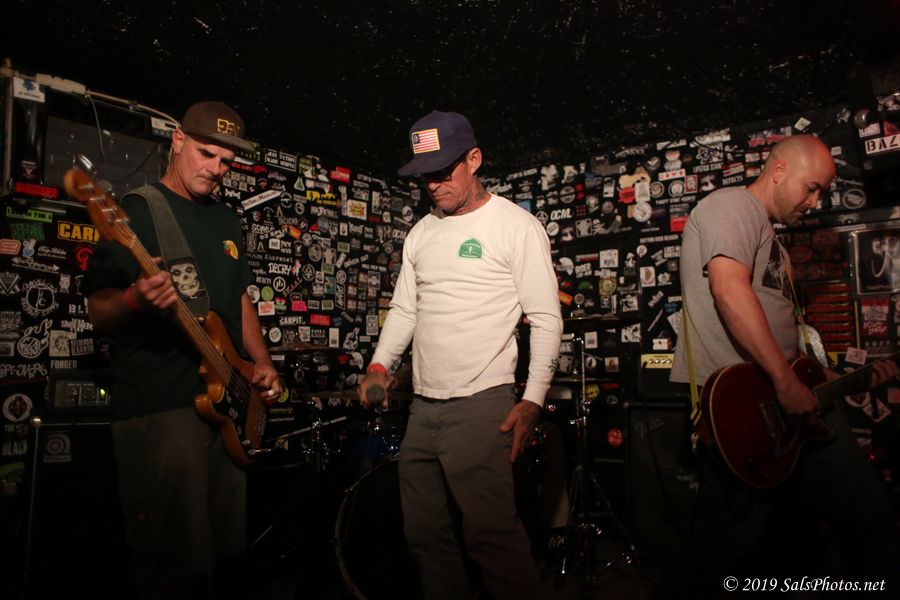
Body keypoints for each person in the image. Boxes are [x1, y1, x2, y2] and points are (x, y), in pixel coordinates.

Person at [664, 135, 899, 596]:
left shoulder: (776, 247)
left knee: (786, 537)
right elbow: (728, 289)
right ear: (778, 171)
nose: (815, 203)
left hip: (785, 406)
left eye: (822, 193)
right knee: (725, 546)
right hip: (745, 406)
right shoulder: (733, 205)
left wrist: (835, 380)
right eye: (811, 188)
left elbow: (789, 347)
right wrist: (784, 380)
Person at [359, 110, 563, 600]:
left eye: (443, 170)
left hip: (481, 405)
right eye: (424, 175)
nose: (433, 184)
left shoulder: (516, 226)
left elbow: (546, 318)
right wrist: (380, 364)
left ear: (474, 159)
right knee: (424, 536)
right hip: (423, 408)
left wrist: (533, 401)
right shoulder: (422, 233)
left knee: (492, 539)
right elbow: (405, 309)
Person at [83, 101, 282, 600]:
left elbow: (239, 301)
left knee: (222, 555)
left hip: (227, 407)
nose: (215, 169)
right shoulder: (136, 211)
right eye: (205, 153)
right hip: (161, 408)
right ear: (177, 141)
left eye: (225, 161)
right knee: (169, 565)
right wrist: (135, 299)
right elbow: (98, 309)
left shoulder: (226, 220)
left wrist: (259, 362)